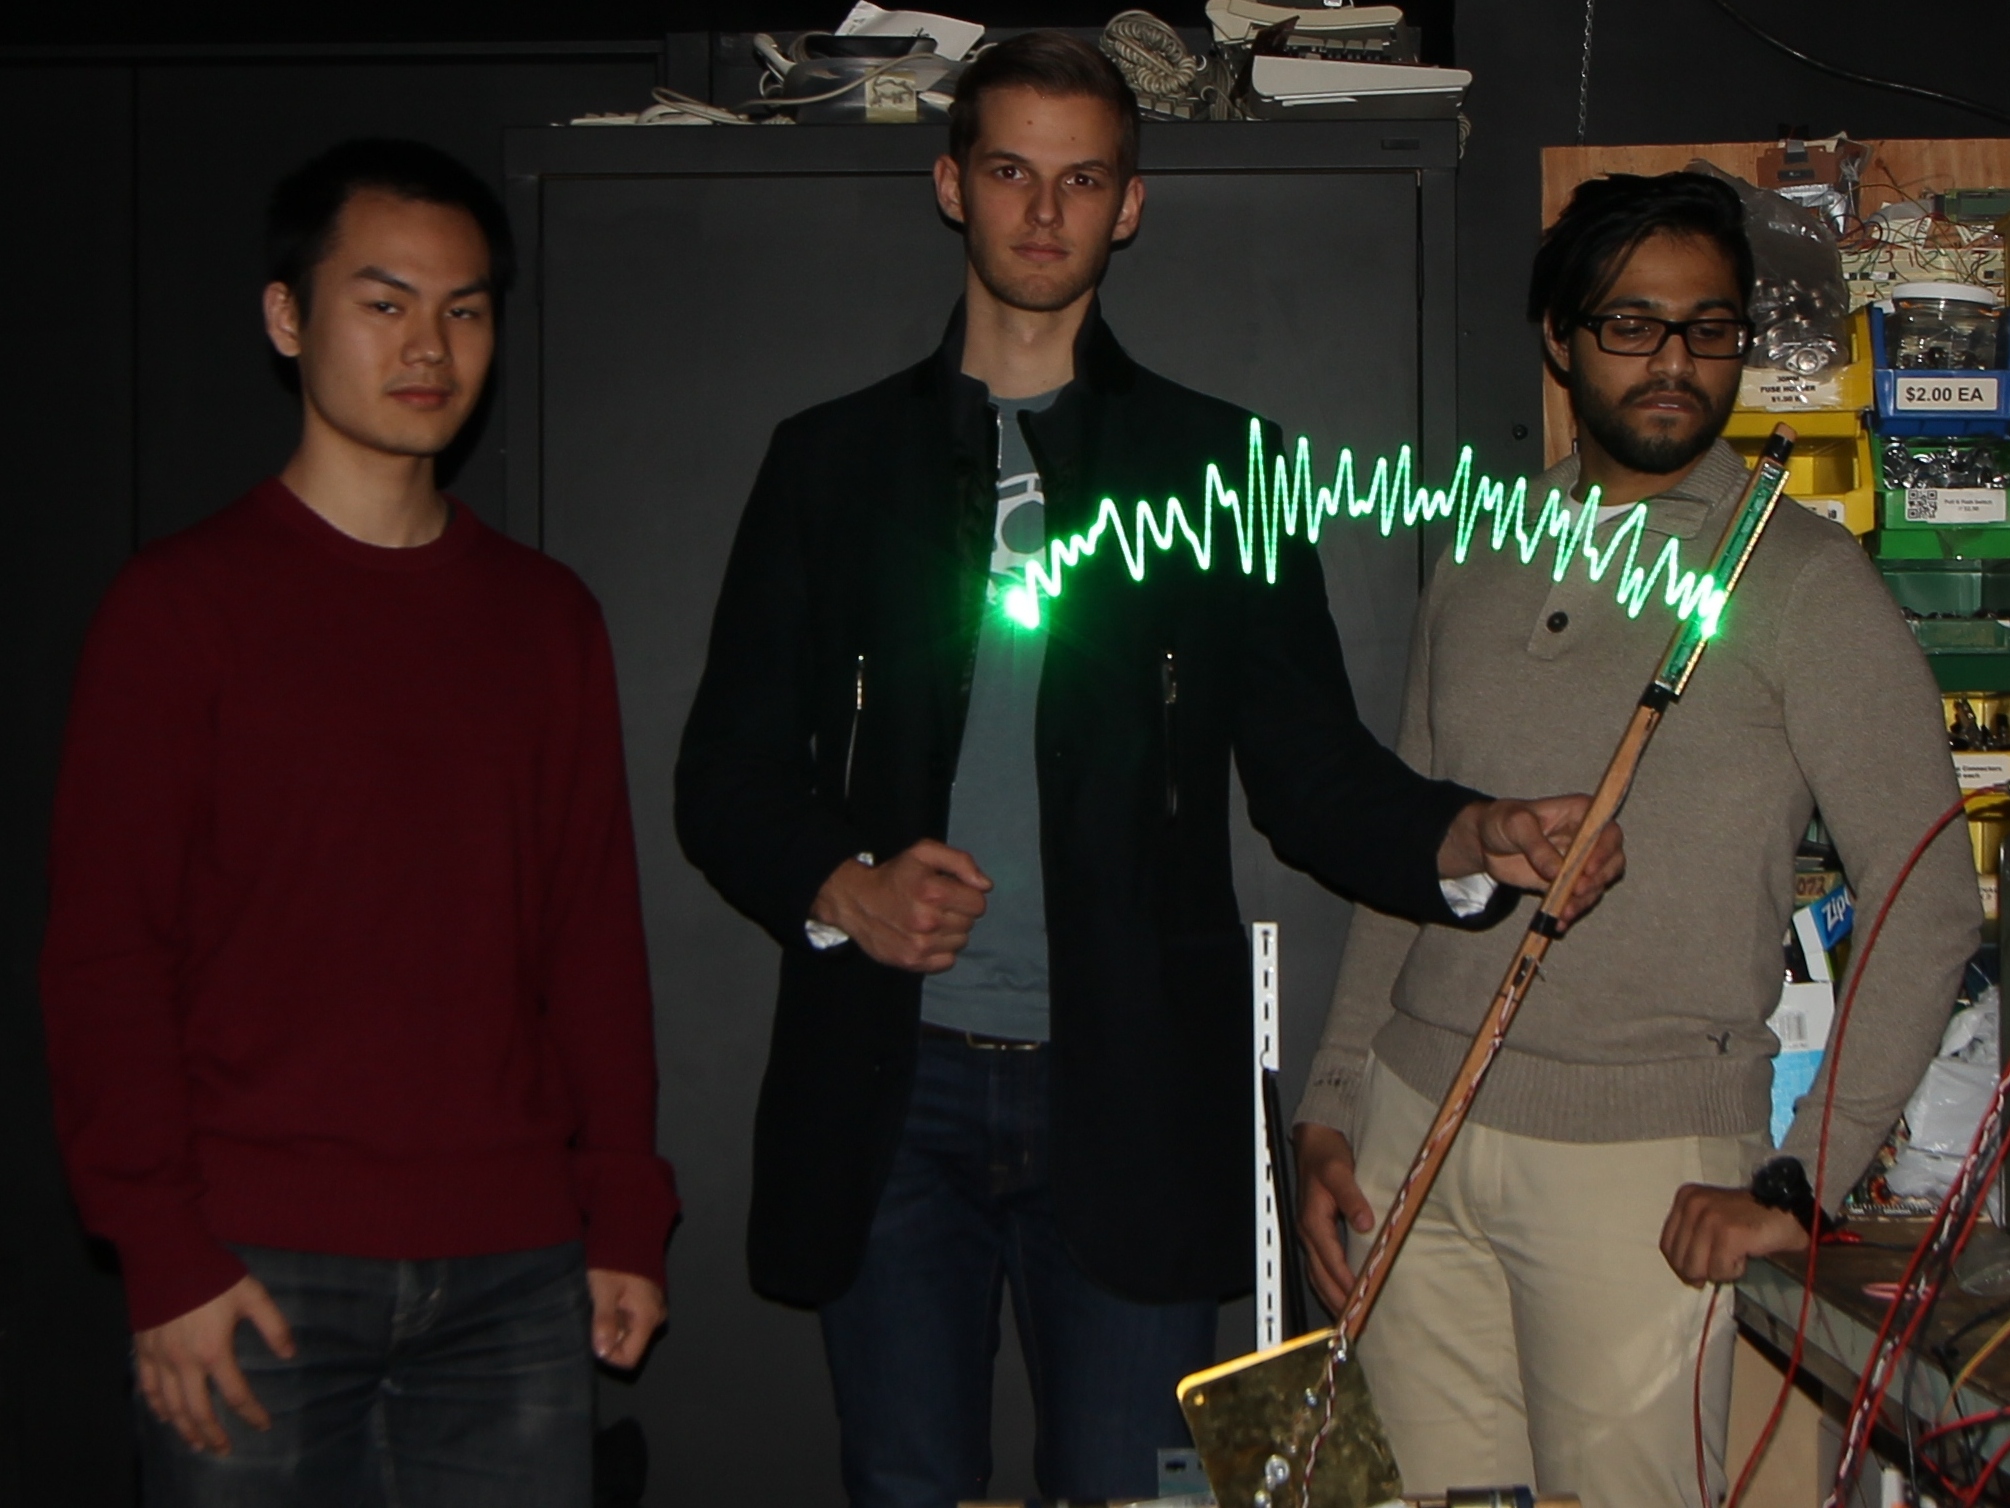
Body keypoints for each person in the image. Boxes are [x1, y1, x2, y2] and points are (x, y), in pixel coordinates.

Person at [675, 33, 1621, 1508]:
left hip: (1130, 1097)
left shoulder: (1223, 468)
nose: (1043, 210)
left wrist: (1470, 834)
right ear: (952, 185)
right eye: (1010, 170)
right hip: (886, 1097)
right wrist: (842, 887)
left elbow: (1311, 773)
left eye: (1082, 178)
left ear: (1128, 204)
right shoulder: (829, 466)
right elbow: (723, 774)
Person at [1293, 170, 1980, 1508]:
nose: (1674, 361)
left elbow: (1929, 901)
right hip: (1410, 1130)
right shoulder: (1480, 552)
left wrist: (1800, 1182)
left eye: (1708, 328)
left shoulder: (1801, 579)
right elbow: (1408, 854)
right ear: (1558, 339)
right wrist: (1331, 1105)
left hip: (1645, 1174)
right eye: (1630, 324)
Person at [40, 138, 677, 1507]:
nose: (428, 346)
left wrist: (625, 1209)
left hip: (514, 1268)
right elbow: (105, 957)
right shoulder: (178, 610)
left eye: (464, 309)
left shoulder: (545, 619)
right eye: (384, 303)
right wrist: (162, 1252)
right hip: (250, 1266)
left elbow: (591, 941)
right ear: (288, 317)